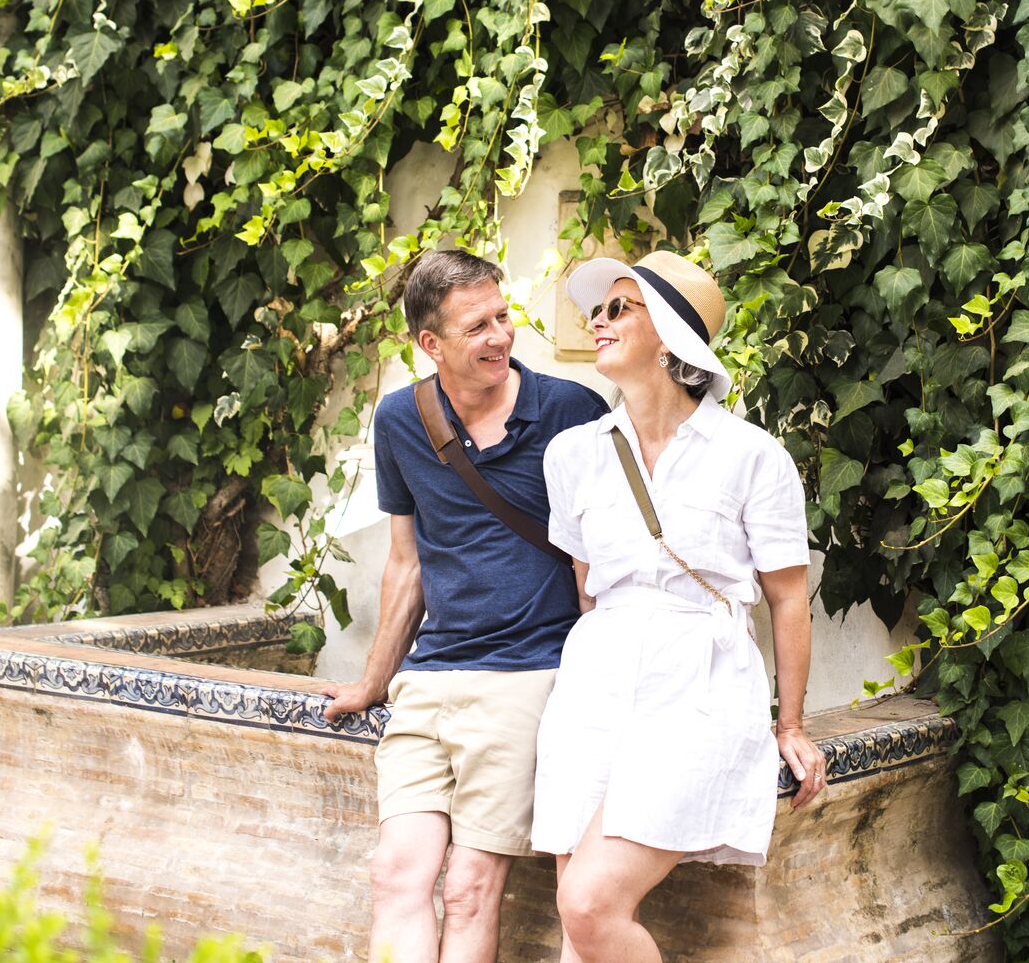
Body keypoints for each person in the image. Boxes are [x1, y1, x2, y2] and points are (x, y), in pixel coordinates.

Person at [531, 249, 829, 963]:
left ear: (667, 334)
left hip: (697, 682)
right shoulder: (572, 455)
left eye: (618, 307)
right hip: (596, 681)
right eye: (597, 309)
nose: (597, 320)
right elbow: (588, 585)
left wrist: (789, 722)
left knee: (589, 902)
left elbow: (788, 598)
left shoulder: (753, 456)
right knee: (582, 924)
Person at [316, 249, 606, 963]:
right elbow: (407, 563)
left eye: (503, 317)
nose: (500, 336)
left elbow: (598, 568)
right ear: (430, 343)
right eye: (477, 326)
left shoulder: (572, 412)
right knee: (395, 874)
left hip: (526, 678)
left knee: (471, 886)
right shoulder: (400, 420)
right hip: (431, 678)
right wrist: (372, 679)